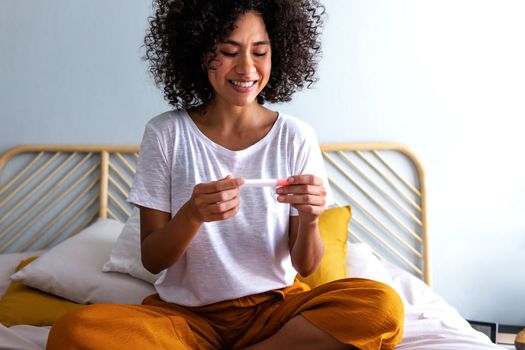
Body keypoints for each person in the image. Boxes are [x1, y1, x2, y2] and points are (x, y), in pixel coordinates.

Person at [47, 1, 404, 349]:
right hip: (186, 320)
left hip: (276, 312)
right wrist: (192, 214)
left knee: (382, 306)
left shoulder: (296, 137)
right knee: (75, 331)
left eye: (259, 52)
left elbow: (307, 267)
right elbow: (153, 259)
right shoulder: (166, 134)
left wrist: (310, 220)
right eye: (230, 51)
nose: (247, 68)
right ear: (202, 54)